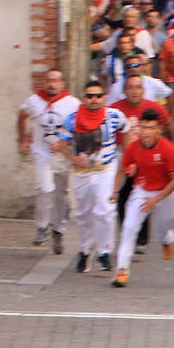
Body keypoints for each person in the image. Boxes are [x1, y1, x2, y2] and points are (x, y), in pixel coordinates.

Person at [59, 82, 127, 274]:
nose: (94, 99)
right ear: (84, 98)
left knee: (106, 210)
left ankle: (105, 252)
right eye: (90, 96)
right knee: (83, 213)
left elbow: (127, 129)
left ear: (104, 97)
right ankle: (85, 250)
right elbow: (62, 144)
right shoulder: (72, 120)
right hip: (82, 173)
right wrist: (73, 158)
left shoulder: (114, 116)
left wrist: (128, 156)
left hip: (106, 169)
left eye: (98, 96)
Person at [109, 108, 174, 287]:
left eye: (151, 128)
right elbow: (121, 170)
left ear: (158, 130)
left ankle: (167, 239)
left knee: (163, 227)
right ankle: (122, 271)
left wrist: (156, 199)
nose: (146, 132)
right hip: (142, 191)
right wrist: (115, 191)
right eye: (143, 128)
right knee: (128, 227)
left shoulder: (167, 149)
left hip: (166, 192)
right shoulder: (133, 147)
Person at [18, 69, 79, 255]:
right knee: (44, 188)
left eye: (56, 81)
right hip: (42, 153)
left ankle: (58, 231)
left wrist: (64, 142)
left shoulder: (72, 104)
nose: (52, 84)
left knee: (61, 194)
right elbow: (21, 115)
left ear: (62, 83)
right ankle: (42, 226)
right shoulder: (34, 101)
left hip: (62, 156)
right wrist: (23, 139)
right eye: (49, 80)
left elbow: (78, 127)